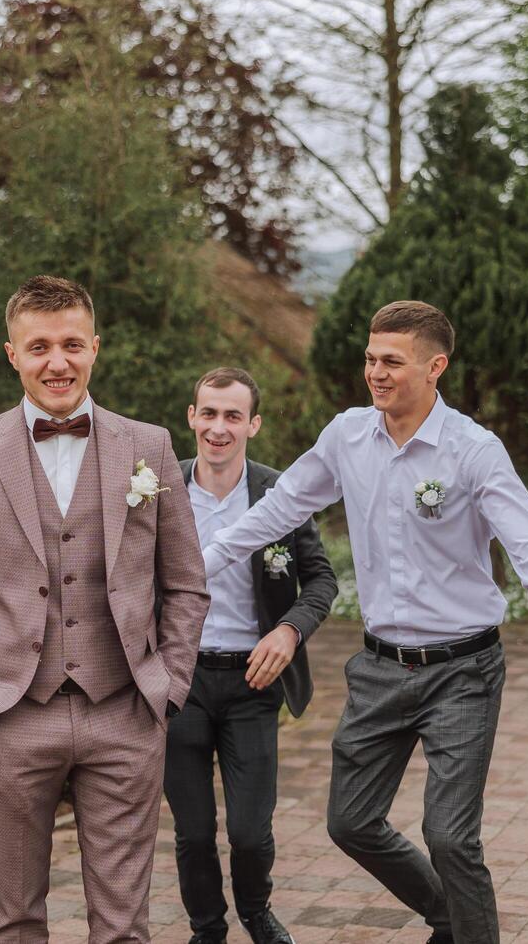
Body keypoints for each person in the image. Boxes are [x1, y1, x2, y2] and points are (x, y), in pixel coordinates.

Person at [201, 300, 528, 944]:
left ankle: (470, 932)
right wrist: (207, 559)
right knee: (350, 822)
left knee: (450, 836)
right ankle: (449, 914)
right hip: (379, 669)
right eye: (370, 358)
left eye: (393, 361)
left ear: (436, 367)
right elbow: (280, 507)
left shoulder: (474, 450)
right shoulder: (346, 436)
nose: (376, 373)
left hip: (464, 670)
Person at [0, 275, 210, 942]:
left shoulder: (149, 446)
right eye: (40, 346)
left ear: (95, 348)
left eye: (73, 344)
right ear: (12, 354)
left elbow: (186, 583)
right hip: (8, 714)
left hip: (125, 711)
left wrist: (166, 688)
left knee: (124, 925)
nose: (58, 361)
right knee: (15, 918)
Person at [167, 367, 337, 944]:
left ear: (253, 424)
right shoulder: (158, 490)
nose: (219, 427)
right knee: (191, 831)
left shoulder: (277, 493)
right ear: (191, 417)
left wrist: (289, 631)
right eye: (209, 413)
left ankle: (257, 911)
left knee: (248, 831)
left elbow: (320, 581)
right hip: (179, 681)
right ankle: (206, 929)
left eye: (232, 416)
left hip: (252, 681)